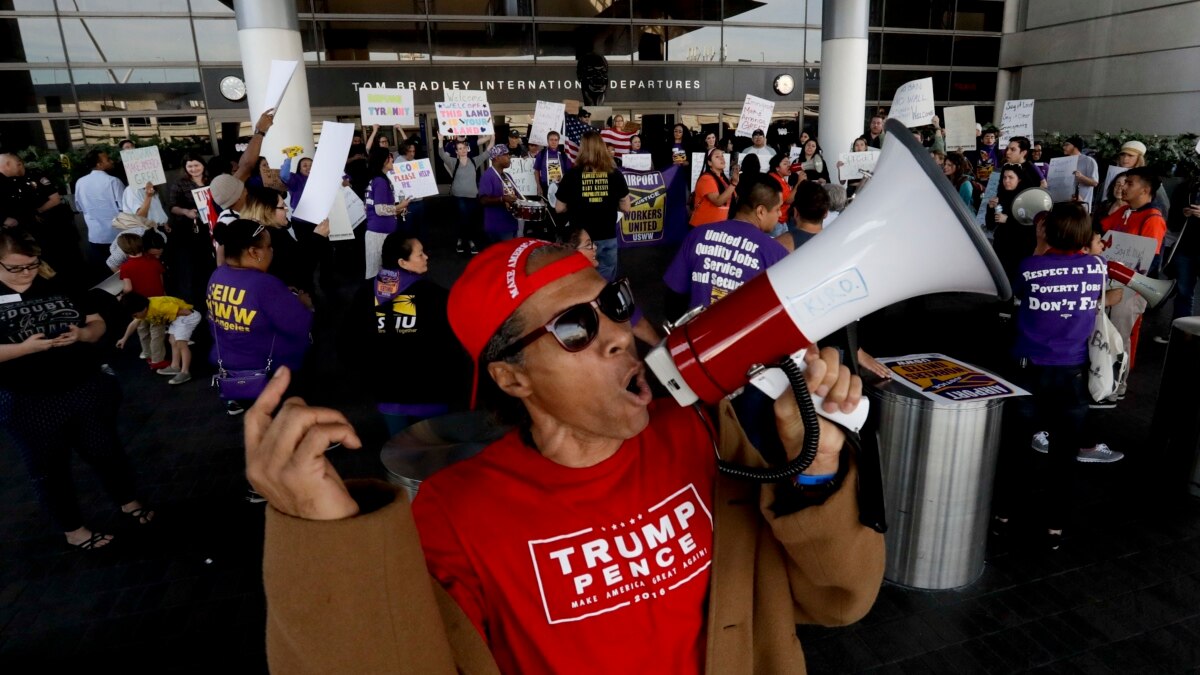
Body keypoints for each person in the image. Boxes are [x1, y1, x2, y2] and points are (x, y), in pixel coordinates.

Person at [245, 235, 884, 674]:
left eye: (613, 304)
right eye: (573, 329)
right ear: (513, 379)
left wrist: (817, 463)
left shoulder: (703, 432)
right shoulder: (454, 512)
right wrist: (322, 534)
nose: (615, 336)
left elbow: (840, 599)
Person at [0, 227, 154, 550]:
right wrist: (25, 349)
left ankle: (128, 501)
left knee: (105, 449)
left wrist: (83, 335)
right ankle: (73, 529)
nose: (26, 273)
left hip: (81, 384)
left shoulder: (57, 279)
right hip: (27, 398)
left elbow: (96, 321)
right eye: (15, 268)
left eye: (31, 265)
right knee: (50, 468)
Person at [991, 203, 1106, 551]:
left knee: (1016, 448)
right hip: (1072, 373)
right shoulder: (1097, 267)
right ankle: (1055, 526)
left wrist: (1040, 247)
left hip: (1027, 370)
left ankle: (1005, 515)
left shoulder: (1029, 266)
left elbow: (1015, 298)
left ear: (1047, 232)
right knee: (1064, 454)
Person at [345, 233, 468, 435]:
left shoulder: (366, 292)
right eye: (420, 255)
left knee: (399, 452)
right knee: (433, 452)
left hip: (387, 392)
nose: (426, 257)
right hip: (429, 394)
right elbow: (451, 344)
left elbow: (351, 340)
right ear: (403, 262)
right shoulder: (435, 296)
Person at [207, 219, 313, 416]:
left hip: (233, 370)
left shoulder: (217, 276)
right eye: (269, 247)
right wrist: (302, 304)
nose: (272, 251)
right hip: (272, 371)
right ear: (254, 252)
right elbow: (299, 325)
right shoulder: (264, 284)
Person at [666, 174, 789, 312]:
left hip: (696, 329)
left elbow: (673, 295)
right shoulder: (776, 254)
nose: (779, 214)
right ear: (760, 211)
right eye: (778, 208)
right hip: (743, 332)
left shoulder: (698, 235)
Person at [1097, 167, 1168, 404]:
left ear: (1145, 190)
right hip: (1112, 281)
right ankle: (1103, 378)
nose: (1123, 186)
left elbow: (1148, 261)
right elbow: (1103, 228)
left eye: (1130, 183)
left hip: (1130, 288)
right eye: (1124, 181)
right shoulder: (1126, 211)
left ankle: (1118, 385)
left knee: (1119, 335)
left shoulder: (1153, 219)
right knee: (1106, 332)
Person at [554, 131, 631, 281]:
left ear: (582, 149)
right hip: (607, 235)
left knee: (582, 281)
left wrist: (577, 204)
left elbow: (559, 208)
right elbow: (626, 207)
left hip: (581, 241)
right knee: (606, 283)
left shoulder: (571, 175)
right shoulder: (615, 175)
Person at [241, 186, 328, 297]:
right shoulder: (273, 236)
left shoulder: (249, 231)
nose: (287, 209)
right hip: (292, 298)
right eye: (282, 206)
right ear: (268, 211)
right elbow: (300, 267)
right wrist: (318, 238)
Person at [116, 292, 201, 386]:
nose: (135, 317)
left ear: (142, 309)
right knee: (172, 340)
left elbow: (187, 312)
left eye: (135, 315)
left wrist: (183, 331)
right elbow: (134, 324)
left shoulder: (158, 307)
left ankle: (185, 372)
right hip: (177, 319)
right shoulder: (143, 308)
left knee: (180, 343)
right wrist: (124, 338)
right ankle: (175, 366)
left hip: (187, 317)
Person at [116, 232, 169, 368]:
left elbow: (128, 289)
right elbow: (161, 280)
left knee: (143, 330)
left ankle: (148, 354)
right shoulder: (154, 261)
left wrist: (122, 296)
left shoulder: (125, 267)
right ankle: (158, 360)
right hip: (156, 302)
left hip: (138, 305)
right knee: (157, 332)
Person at [74, 148, 127, 279]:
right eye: (107, 159)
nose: (111, 161)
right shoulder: (113, 181)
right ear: (99, 164)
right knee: (123, 274)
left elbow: (79, 207)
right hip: (116, 235)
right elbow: (125, 208)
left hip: (95, 235)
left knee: (104, 276)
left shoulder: (80, 182)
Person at [439, 133, 494, 255]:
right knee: (465, 218)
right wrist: (440, 140)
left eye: (464, 148)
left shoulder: (474, 161)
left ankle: (460, 239)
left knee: (470, 219)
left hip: (473, 197)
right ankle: (470, 241)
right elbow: (442, 154)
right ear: (456, 152)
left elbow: (488, 151)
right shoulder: (454, 162)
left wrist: (493, 135)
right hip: (459, 196)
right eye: (459, 149)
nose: (462, 150)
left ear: (467, 149)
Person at [1162, 174, 1200, 337]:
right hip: (1186, 247)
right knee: (1184, 292)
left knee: (1185, 293)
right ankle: (1179, 334)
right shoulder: (1187, 186)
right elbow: (1172, 218)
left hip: (1188, 248)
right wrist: (1183, 213)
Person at [362, 147, 410, 279]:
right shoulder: (380, 181)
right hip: (379, 233)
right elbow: (380, 209)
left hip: (379, 231)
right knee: (378, 272)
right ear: (383, 161)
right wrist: (399, 206)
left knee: (380, 270)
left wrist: (397, 209)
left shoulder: (377, 179)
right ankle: (375, 298)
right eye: (390, 157)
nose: (392, 160)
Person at [478, 145, 520, 245]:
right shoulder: (488, 176)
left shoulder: (507, 175)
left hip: (511, 223)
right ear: (497, 157)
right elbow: (483, 200)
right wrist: (502, 199)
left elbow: (515, 194)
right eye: (506, 155)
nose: (509, 157)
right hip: (497, 226)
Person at [1114, 140, 1171, 212]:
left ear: (1139, 158)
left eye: (1130, 155)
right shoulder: (1113, 175)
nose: (1125, 158)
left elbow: (1163, 206)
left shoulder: (1148, 178)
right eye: (1122, 154)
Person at [689, 148, 738, 227]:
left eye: (722, 156)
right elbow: (718, 201)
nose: (722, 158)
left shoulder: (724, 179)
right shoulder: (706, 178)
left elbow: (734, 198)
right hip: (702, 227)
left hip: (717, 227)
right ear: (709, 162)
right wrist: (734, 184)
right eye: (717, 157)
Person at [1061, 136, 1099, 208]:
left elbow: (1095, 182)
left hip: (1082, 206)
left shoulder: (1089, 161)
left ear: (1075, 146)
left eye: (1067, 145)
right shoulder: (1063, 162)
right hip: (1066, 205)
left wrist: (1081, 177)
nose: (1064, 147)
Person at [533, 130, 572, 197]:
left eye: (556, 140)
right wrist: (538, 187)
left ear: (558, 141)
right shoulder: (541, 154)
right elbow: (536, 171)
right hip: (545, 187)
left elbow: (568, 172)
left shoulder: (563, 155)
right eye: (551, 140)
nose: (553, 142)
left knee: (560, 207)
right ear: (548, 141)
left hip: (560, 187)